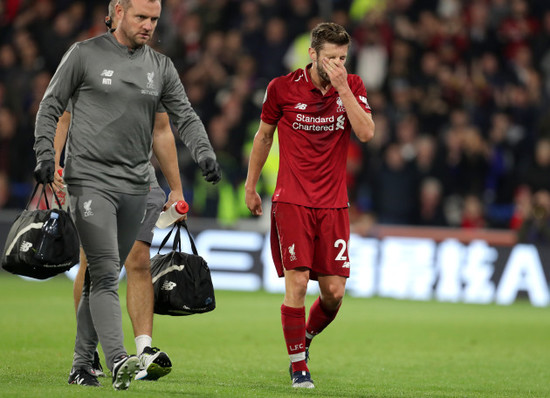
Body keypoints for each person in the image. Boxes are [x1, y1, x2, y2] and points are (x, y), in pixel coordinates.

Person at [33, 0, 221, 390]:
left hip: (136, 186)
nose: (149, 25)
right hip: (89, 181)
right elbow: (52, 106)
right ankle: (120, 357)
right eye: (141, 17)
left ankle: (82, 363)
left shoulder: (161, 67)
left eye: (154, 19)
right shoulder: (84, 54)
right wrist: (46, 155)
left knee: (102, 276)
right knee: (103, 271)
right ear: (118, 11)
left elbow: (183, 116)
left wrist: (203, 153)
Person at [245, 22, 374, 388]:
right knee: (298, 283)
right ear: (312, 54)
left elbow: (366, 133)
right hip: (292, 200)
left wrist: (343, 88)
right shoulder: (281, 88)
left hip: (334, 205)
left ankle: (305, 338)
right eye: (331, 58)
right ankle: (298, 367)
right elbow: (263, 137)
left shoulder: (352, 86)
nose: (337, 64)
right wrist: (251, 185)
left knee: (333, 295)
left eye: (343, 58)